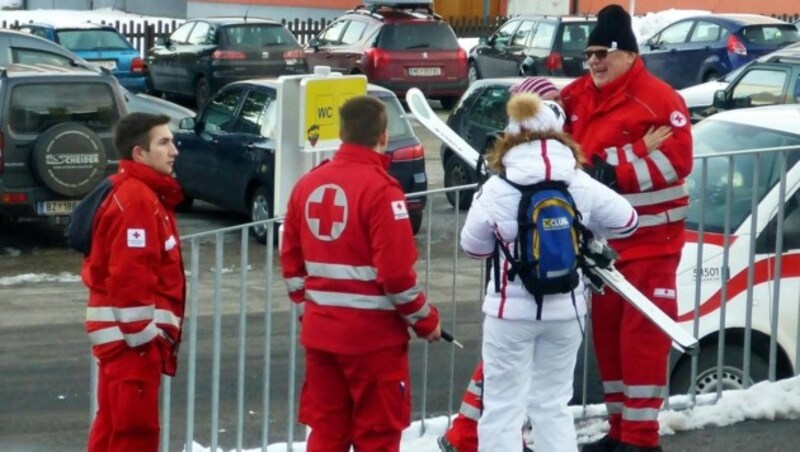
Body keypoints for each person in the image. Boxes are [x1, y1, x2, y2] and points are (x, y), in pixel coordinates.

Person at [461, 92, 639, 452]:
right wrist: (586, 232)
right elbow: (628, 221)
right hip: (568, 310)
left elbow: (473, 246)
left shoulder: (496, 188)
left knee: (502, 409)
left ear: (510, 137)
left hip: (509, 313)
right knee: (553, 406)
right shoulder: (578, 182)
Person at [560, 5, 694, 452]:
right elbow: (571, 158)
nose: (595, 61)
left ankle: (641, 438)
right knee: (610, 342)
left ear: (629, 54)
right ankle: (619, 431)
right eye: (590, 53)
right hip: (603, 249)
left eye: (604, 52)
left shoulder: (660, 99)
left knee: (642, 343)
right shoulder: (579, 96)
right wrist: (630, 152)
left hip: (652, 245)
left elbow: (675, 161)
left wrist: (613, 169)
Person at [280, 94, 442, 452]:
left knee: (326, 433)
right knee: (378, 436)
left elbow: (290, 260)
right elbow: (397, 276)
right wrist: (425, 320)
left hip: (321, 336)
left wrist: (310, 311)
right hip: (373, 342)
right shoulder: (382, 191)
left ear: (342, 133)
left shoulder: (307, 185)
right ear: (383, 135)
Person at [438, 76, 568, 452]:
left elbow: (474, 244)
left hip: (509, 294)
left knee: (505, 379)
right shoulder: (558, 169)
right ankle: (468, 435)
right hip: (547, 294)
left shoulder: (510, 169)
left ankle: (468, 434)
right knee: (524, 388)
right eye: (551, 102)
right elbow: (622, 219)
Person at [80, 113, 185, 452]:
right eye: (164, 142)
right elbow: (130, 276)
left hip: (128, 345)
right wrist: (144, 339)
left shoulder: (140, 194)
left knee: (111, 430)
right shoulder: (137, 200)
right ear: (140, 153)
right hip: (132, 346)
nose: (174, 151)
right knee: (134, 435)